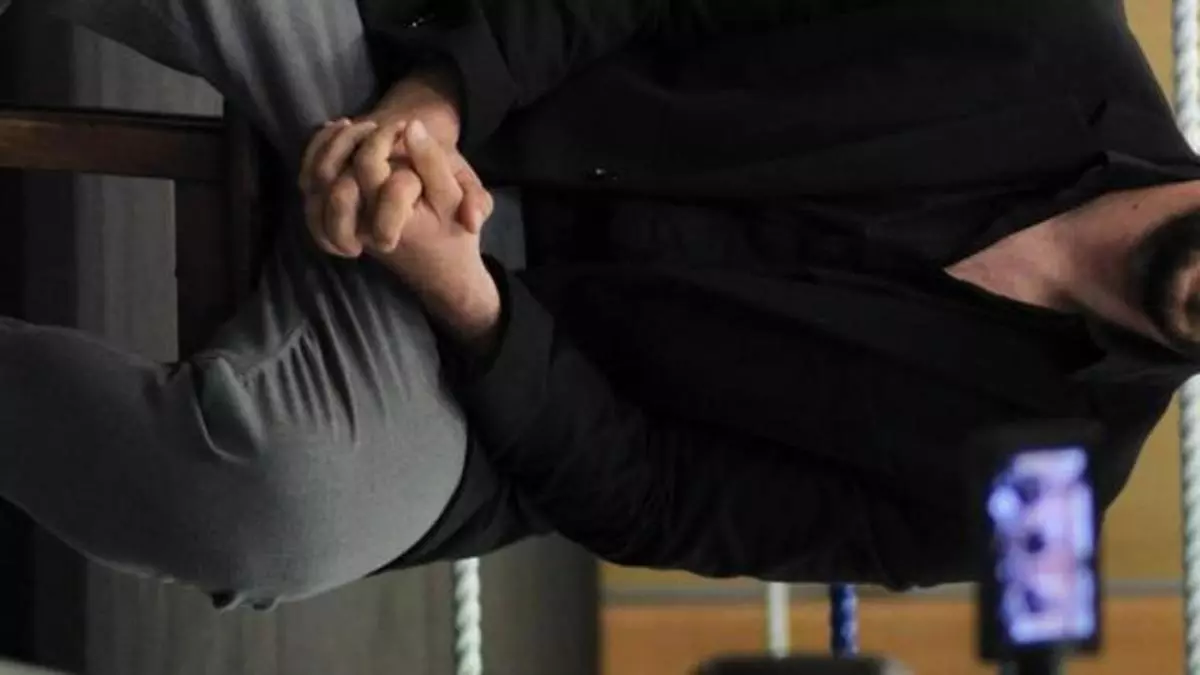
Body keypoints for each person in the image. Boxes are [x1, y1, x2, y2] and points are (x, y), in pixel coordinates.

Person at [4, 0, 1199, 609]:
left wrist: (472, 305)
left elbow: (657, 496)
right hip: (435, 77)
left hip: (478, 386)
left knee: (269, 516)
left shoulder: (1044, 503)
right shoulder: (1049, 24)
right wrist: (435, 105)